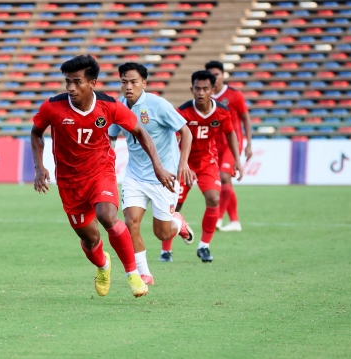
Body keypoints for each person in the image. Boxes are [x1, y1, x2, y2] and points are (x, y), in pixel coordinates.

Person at [30, 55, 176, 298]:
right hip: (69, 181)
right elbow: (36, 134)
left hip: (100, 172)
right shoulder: (52, 107)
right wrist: (39, 167)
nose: (70, 88)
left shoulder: (109, 106)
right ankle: (103, 266)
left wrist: (158, 166)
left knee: (107, 215)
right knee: (90, 238)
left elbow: (139, 130)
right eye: (67, 82)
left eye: (77, 82)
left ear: (93, 83)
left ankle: (133, 274)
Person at [108, 62, 194, 285]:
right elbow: (110, 137)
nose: (128, 86)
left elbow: (186, 131)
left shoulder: (158, 105)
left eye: (134, 82)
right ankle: (144, 273)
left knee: (162, 233)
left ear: (144, 83)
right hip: (135, 176)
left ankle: (179, 224)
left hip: (164, 178)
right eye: (124, 82)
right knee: (130, 223)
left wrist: (183, 163)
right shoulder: (118, 107)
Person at [175, 70, 243, 262]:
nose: (201, 93)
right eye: (197, 88)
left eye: (205, 89)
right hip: (185, 164)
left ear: (213, 90)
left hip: (207, 162)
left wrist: (237, 159)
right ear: (192, 89)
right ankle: (166, 249)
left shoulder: (222, 111)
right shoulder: (182, 112)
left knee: (214, 198)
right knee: (174, 205)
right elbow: (171, 136)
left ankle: (204, 246)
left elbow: (230, 133)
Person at [205, 60, 253, 232]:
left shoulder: (234, 95)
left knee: (224, 177)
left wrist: (248, 144)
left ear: (223, 75)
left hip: (232, 144)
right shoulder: (206, 97)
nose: (214, 78)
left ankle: (218, 218)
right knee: (224, 182)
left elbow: (246, 118)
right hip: (213, 146)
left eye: (217, 74)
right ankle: (235, 221)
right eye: (211, 75)